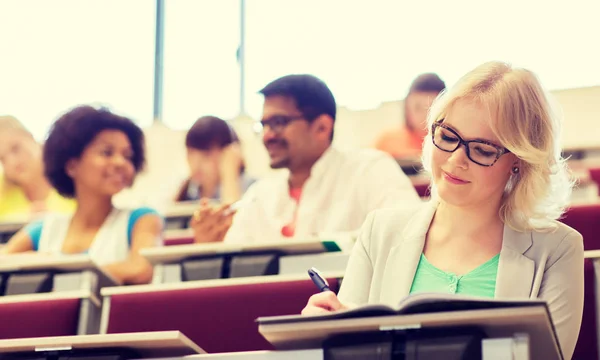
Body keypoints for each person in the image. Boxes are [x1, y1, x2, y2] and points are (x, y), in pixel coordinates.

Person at [302, 62, 583, 359]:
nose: (455, 160)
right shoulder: (380, 231)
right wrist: (323, 333)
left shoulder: (558, 249)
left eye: (482, 150)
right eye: (448, 137)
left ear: (520, 161)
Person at [191, 74, 421, 244]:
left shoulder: (369, 171)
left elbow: (408, 235)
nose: (268, 135)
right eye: (264, 125)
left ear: (321, 127)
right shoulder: (260, 196)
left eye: (278, 123)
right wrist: (209, 245)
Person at [1, 106, 163, 285]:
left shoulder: (143, 219)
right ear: (71, 165)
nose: (120, 162)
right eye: (106, 152)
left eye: (127, 156)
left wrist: (50, 269)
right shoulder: (43, 229)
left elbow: (140, 270)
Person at [0, 115, 74, 220]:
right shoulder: (3, 193)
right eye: (2, 159)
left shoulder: (71, 175)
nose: (12, 162)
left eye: (15, 148)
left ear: (30, 137)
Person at [174, 116, 254, 204]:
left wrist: (230, 176)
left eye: (206, 155)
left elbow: (234, 215)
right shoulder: (190, 191)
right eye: (190, 153)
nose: (196, 163)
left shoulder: (252, 188)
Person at [374, 73, 446, 159]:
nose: (425, 116)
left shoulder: (452, 144)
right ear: (407, 108)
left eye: (431, 109)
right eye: (417, 107)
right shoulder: (387, 141)